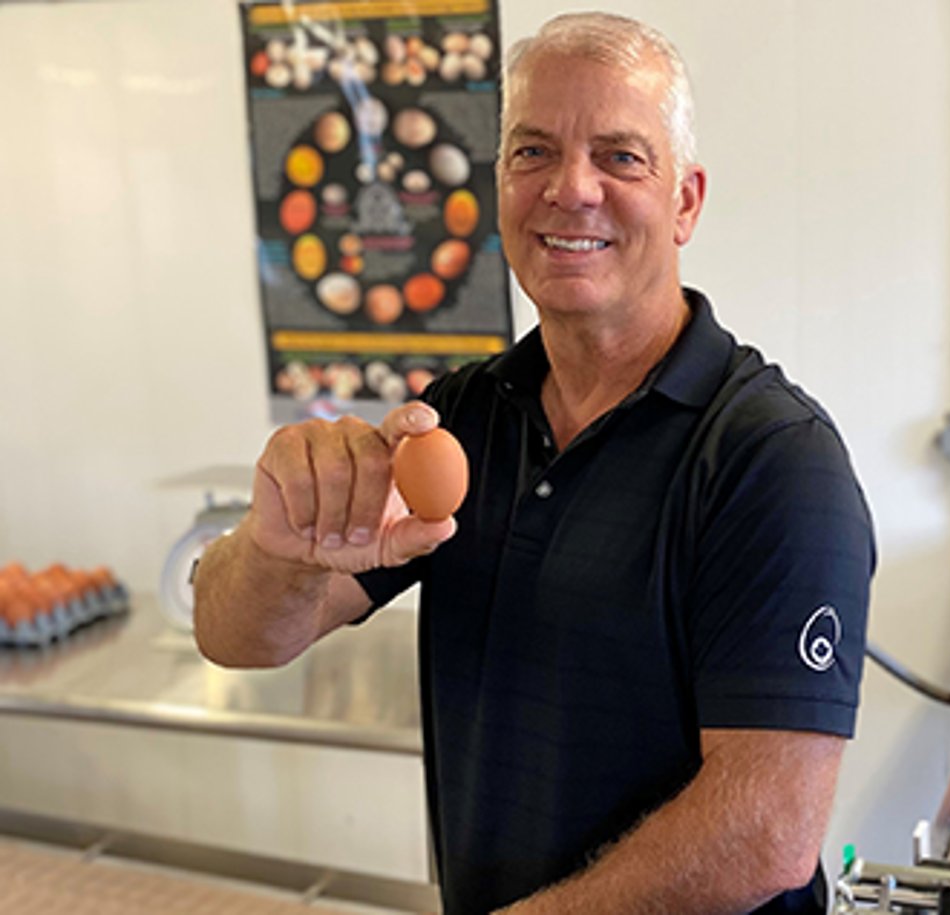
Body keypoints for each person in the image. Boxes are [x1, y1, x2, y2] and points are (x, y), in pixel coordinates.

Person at [195, 12, 874, 914]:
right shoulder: (460, 419)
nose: (571, 189)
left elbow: (767, 829)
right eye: (533, 153)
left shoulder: (773, 460)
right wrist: (277, 549)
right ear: (499, 185)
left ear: (685, 202)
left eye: (621, 157)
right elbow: (238, 638)